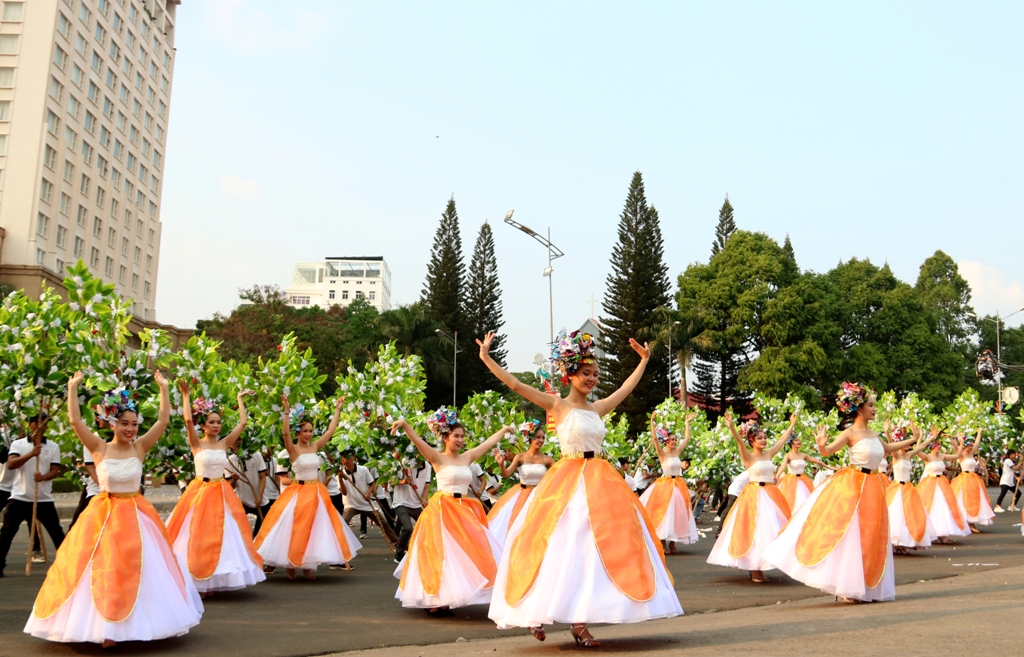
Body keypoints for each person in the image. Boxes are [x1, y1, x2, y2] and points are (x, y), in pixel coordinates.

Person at [479, 330, 682, 647]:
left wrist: (643, 362)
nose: (592, 379)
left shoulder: (598, 408)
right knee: (557, 548)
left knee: (592, 552)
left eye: (596, 374)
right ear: (570, 374)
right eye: (586, 373)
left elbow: (627, 388)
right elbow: (517, 385)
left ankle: (579, 623)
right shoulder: (557, 406)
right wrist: (487, 357)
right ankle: (538, 610)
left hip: (602, 482)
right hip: (567, 484)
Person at [25, 372, 202, 646]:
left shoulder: (140, 447)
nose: (130, 429)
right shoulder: (98, 448)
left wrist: (164, 390)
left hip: (135, 516)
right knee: (102, 568)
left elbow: (163, 420)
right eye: (124, 423)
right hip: (102, 516)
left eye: (133, 424)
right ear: (112, 423)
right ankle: (104, 626)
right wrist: (72, 387)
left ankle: (133, 624)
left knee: (135, 568)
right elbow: (75, 420)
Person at [764, 383, 925, 603]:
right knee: (852, 534)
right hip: (853, 486)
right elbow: (828, 451)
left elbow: (887, 449)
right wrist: (821, 445)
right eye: (870, 405)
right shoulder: (850, 433)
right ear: (859, 408)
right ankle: (849, 587)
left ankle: (867, 586)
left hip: (874, 486)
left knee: (872, 533)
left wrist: (914, 440)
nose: (874, 409)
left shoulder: (872, 433)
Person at [390, 409, 509, 614]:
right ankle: (436, 599)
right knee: (440, 554)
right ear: (445, 437)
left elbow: (488, 444)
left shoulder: (467, 457)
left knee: (463, 553)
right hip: (442, 510)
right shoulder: (437, 457)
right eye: (456, 436)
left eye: (462, 436)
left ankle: (449, 596)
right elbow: (419, 442)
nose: (460, 440)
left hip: (463, 510)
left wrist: (505, 430)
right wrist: (404, 425)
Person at [166, 384, 265, 596]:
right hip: (199, 491)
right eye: (211, 422)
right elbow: (187, 421)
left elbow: (243, 422)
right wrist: (185, 396)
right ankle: (197, 576)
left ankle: (214, 577)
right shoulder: (196, 444)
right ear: (203, 425)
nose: (216, 425)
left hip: (220, 492)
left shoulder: (224, 444)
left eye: (219, 422)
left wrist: (240, 399)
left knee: (223, 534)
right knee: (197, 534)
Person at [255, 397, 361, 580]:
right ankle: (291, 563)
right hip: (298, 492)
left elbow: (330, 431)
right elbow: (286, 435)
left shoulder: (314, 446)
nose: (309, 434)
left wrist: (338, 410)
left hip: (315, 493)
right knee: (295, 528)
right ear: (298, 431)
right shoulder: (293, 449)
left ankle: (307, 565)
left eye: (311, 431)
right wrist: (287, 412)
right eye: (305, 431)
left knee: (313, 528)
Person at [707, 413, 796, 583]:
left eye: (764, 437)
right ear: (752, 441)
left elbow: (783, 439)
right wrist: (732, 426)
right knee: (755, 531)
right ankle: (754, 568)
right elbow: (739, 443)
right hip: (753, 496)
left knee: (770, 531)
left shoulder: (769, 454)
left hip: (770, 495)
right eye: (759, 438)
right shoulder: (749, 457)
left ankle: (762, 565)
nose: (763, 440)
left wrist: (791, 425)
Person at [0, 414, 64, 576]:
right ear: (31, 425)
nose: (42, 427)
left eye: (45, 424)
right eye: (38, 423)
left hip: (42, 498)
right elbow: (12, 464)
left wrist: (43, 477)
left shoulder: (53, 447)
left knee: (57, 534)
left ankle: (68, 565)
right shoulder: (18, 444)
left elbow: (55, 470)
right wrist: (31, 454)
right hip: (20, 497)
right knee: (7, 532)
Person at [639, 411, 699, 553]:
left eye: (675, 440)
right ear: (666, 441)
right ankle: (663, 542)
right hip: (664, 485)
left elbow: (687, 438)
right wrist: (652, 422)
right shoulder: (662, 453)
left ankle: (673, 543)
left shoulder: (677, 452)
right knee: (665, 513)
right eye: (672, 439)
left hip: (677, 485)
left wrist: (687, 423)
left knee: (677, 513)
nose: (674, 442)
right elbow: (654, 439)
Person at [488, 421, 554, 547]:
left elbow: (561, 473)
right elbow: (506, 474)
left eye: (543, 438)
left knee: (537, 528)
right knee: (519, 527)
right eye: (538, 437)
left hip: (539, 496)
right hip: (522, 496)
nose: (541, 440)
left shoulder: (547, 459)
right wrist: (501, 464)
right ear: (530, 438)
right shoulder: (520, 457)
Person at [886, 424, 938, 554]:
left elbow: (921, 447)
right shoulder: (895, 456)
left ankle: (905, 541)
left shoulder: (908, 455)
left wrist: (929, 437)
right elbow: (890, 444)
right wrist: (887, 432)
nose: (909, 445)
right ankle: (897, 543)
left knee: (908, 515)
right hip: (897, 488)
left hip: (908, 488)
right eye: (906, 442)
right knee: (896, 515)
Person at [917, 430, 971, 544]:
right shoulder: (927, 457)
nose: (940, 447)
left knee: (942, 507)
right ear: (933, 447)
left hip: (941, 484)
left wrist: (961, 443)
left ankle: (942, 534)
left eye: (940, 445)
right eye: (938, 445)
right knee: (930, 507)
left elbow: (956, 455)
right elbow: (918, 450)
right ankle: (932, 534)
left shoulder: (941, 457)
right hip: (929, 484)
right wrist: (922, 437)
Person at [340, 452, 399, 545]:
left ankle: (396, 541)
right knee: (343, 523)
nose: (346, 459)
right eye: (343, 457)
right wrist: (340, 478)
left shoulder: (363, 469)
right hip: (351, 505)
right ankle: (341, 546)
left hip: (365, 504)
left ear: (354, 457)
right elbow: (344, 492)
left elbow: (372, 484)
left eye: (348, 456)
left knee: (382, 522)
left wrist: (368, 494)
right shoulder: (340, 473)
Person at [775, 434, 832, 513]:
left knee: (804, 501)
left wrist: (831, 468)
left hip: (802, 481)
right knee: (792, 502)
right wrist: (777, 475)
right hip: (791, 481)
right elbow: (783, 467)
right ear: (791, 443)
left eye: (799, 440)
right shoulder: (788, 455)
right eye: (796, 440)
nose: (799, 441)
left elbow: (818, 461)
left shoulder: (803, 455)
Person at [392, 457, 432, 564]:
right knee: (408, 528)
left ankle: (420, 549)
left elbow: (426, 486)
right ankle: (399, 553)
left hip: (415, 504)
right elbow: (391, 482)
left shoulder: (428, 466)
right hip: (401, 502)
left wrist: (424, 499)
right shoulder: (404, 462)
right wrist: (403, 481)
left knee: (427, 526)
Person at [227, 449, 271, 537]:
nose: (238, 441)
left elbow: (262, 477)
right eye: (235, 440)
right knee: (241, 533)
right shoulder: (229, 460)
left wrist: (260, 495)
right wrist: (234, 479)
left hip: (260, 501)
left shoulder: (256, 455)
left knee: (262, 532)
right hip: (241, 501)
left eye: (240, 438)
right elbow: (230, 486)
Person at [68, 446, 101, 529]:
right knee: (80, 526)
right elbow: (91, 468)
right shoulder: (94, 438)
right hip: (98, 492)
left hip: (127, 496)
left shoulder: (133, 440)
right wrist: (108, 488)